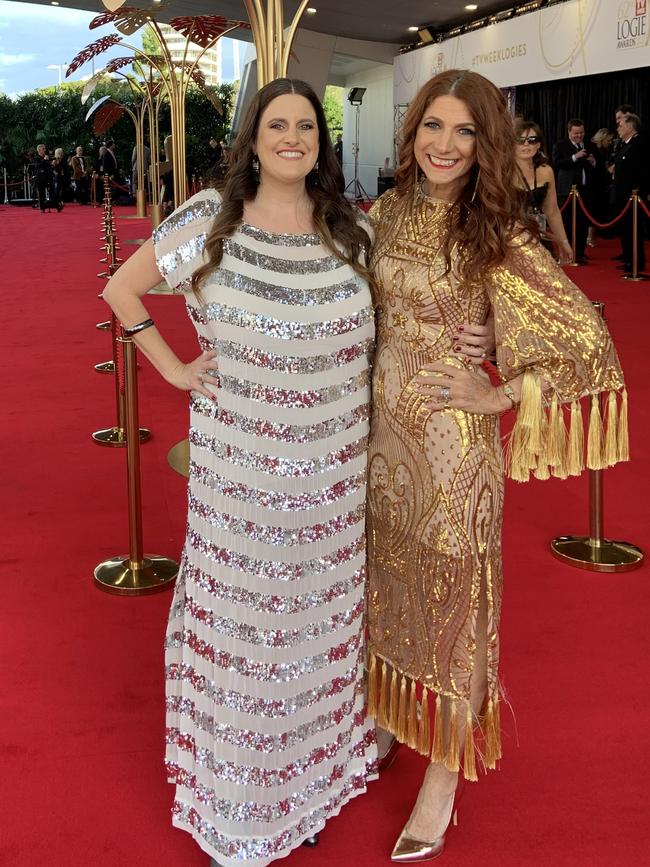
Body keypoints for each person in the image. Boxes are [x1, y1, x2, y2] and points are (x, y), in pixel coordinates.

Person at [102, 77, 378, 867]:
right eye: (276, 124)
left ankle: (310, 785)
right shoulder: (208, 220)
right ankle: (240, 800)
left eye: (306, 126)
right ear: (252, 136)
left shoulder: (348, 228)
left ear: (320, 142)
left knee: (317, 640)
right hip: (242, 488)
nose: (292, 138)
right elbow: (122, 289)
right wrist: (177, 371)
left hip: (334, 486)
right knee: (249, 644)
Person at [364, 69, 627, 863]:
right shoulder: (385, 212)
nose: (444, 145)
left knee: (455, 601)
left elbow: (587, 340)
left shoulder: (497, 232)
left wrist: (501, 387)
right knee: (388, 584)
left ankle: (443, 772)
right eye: (431, 127)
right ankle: (387, 715)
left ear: (488, 144)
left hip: (451, 455)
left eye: (464, 131)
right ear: (412, 133)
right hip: (381, 446)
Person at [513, 119, 572, 263]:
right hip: (510, 242)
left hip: (539, 238)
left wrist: (564, 242)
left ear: (538, 144)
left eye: (532, 140)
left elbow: (552, 211)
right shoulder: (501, 172)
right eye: (520, 140)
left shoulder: (546, 171)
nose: (526, 144)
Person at [552, 118, 597, 263]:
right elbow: (556, 163)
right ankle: (569, 251)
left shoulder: (590, 145)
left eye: (582, 133)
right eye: (576, 133)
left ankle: (581, 252)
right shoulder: (561, 145)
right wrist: (574, 157)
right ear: (569, 132)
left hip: (585, 190)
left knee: (583, 222)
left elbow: (598, 165)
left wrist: (593, 162)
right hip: (567, 190)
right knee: (568, 221)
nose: (579, 136)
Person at [611, 112, 648, 274]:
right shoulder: (625, 144)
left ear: (630, 127)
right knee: (626, 230)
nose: (618, 128)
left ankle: (635, 263)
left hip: (633, 196)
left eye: (621, 125)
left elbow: (643, 170)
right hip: (622, 195)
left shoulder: (639, 144)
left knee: (633, 230)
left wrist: (641, 191)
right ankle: (628, 259)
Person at [32, 143, 53, 213]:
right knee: (41, 194)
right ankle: (42, 207)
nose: (44, 150)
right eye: (43, 149)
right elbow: (38, 166)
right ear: (39, 150)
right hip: (39, 178)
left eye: (44, 149)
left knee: (52, 191)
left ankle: (52, 204)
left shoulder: (46, 157)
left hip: (47, 177)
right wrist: (44, 160)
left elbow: (49, 167)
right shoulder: (36, 158)